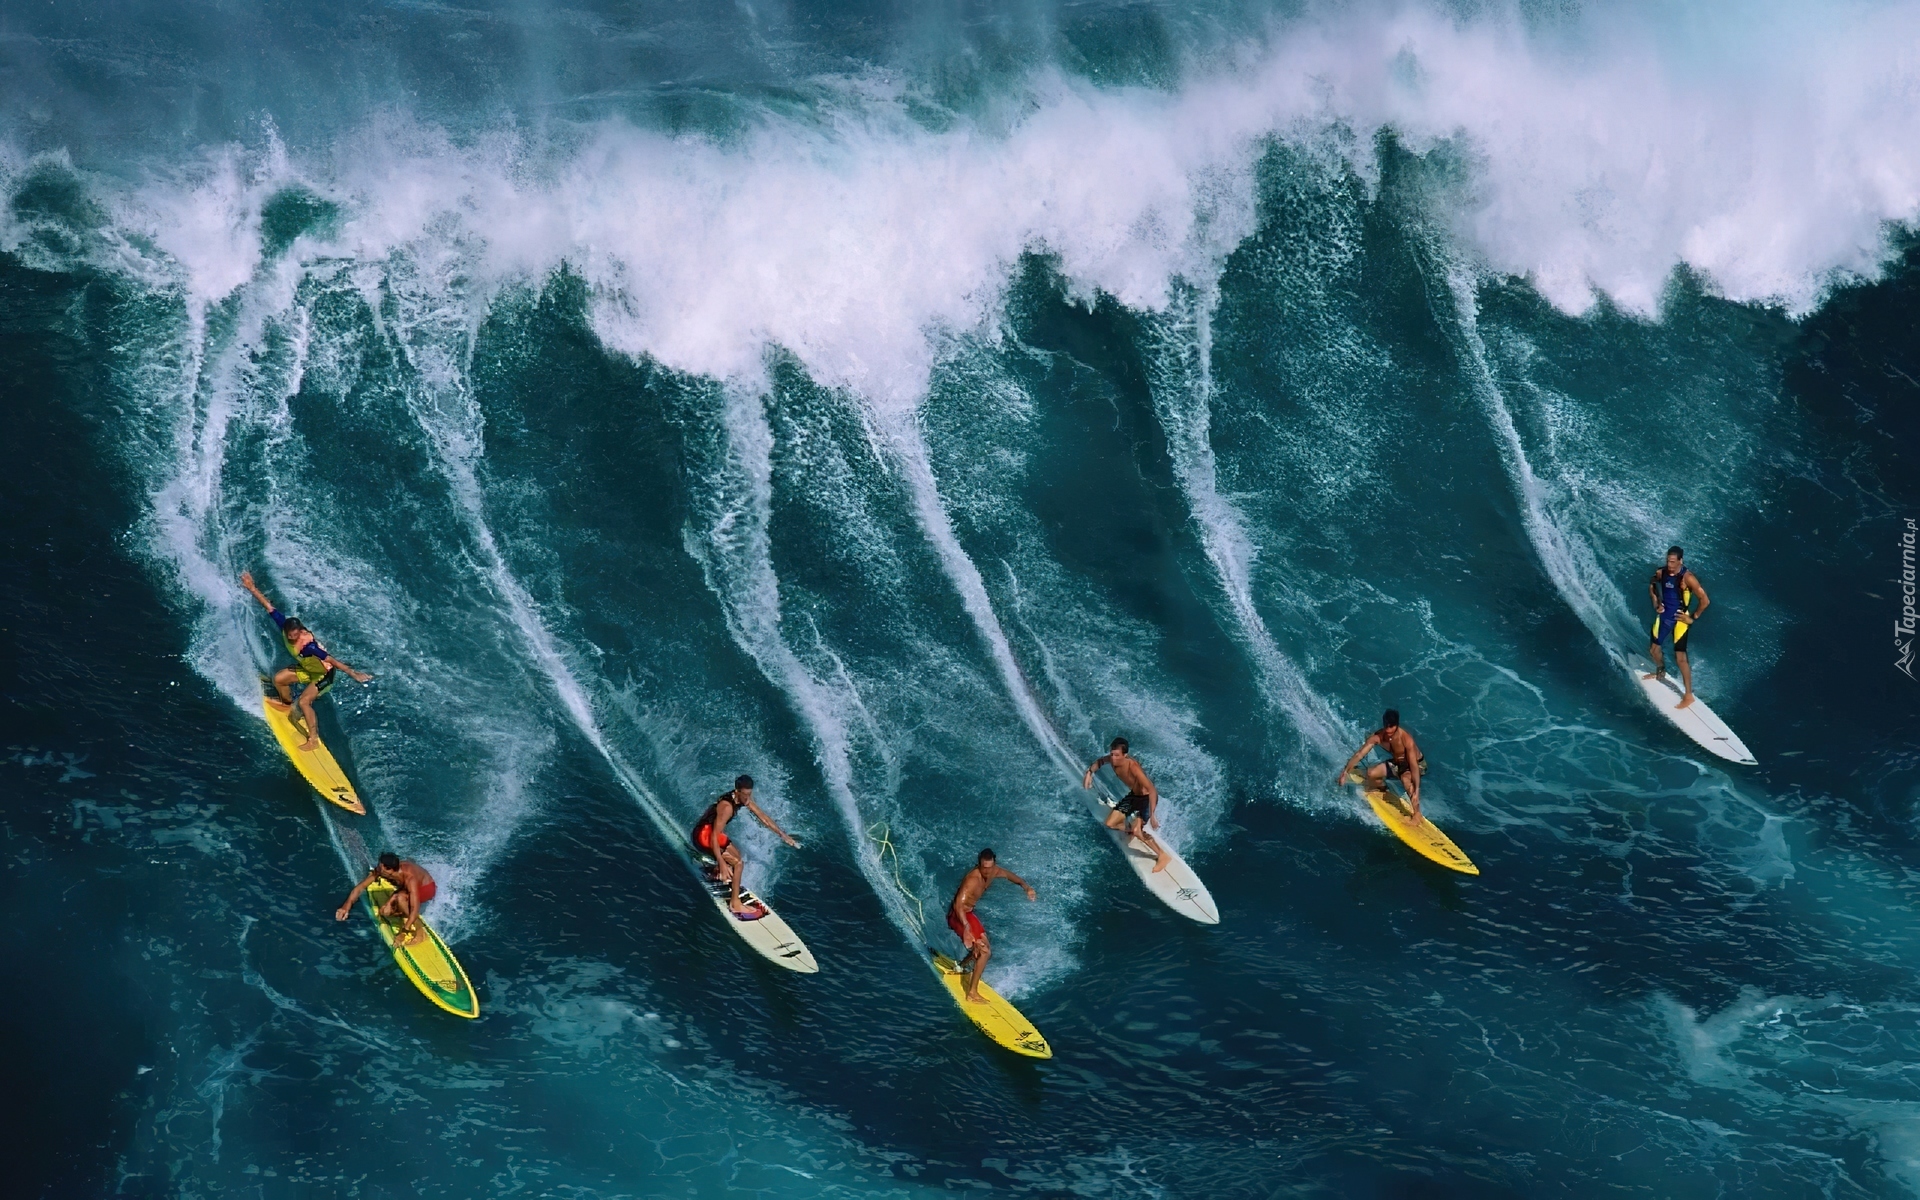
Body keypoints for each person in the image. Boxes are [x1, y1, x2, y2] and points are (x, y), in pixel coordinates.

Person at [239, 570, 372, 752]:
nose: (292, 638)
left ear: (300, 631)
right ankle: (286, 705)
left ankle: (313, 738)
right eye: (290, 636)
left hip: (323, 675)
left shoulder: (308, 646)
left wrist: (353, 673)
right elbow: (269, 607)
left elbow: (331, 660)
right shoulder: (285, 625)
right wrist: (252, 588)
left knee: (304, 702)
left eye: (295, 635)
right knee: (279, 680)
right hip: (307, 669)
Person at [693, 775, 799, 919]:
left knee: (737, 855)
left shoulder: (743, 798)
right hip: (703, 836)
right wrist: (722, 862)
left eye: (750, 794)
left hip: (712, 833)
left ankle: (717, 872)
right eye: (746, 794)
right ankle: (735, 903)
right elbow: (713, 837)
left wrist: (782, 834)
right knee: (738, 863)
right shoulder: (727, 807)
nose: (748, 798)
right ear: (737, 791)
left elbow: (763, 817)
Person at [946, 848, 1036, 1004]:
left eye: (989, 868)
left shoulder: (994, 871)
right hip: (958, 917)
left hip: (969, 915)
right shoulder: (972, 879)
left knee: (983, 947)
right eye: (983, 868)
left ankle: (961, 967)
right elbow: (958, 905)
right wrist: (966, 927)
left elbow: (1010, 876)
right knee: (985, 952)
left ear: (994, 864)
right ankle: (972, 993)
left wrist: (1026, 887)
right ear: (979, 865)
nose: (987, 872)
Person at [1082, 736, 1172, 872]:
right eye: (1111, 754)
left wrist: (1153, 815)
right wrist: (1089, 772)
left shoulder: (1133, 767)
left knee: (1137, 832)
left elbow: (1152, 790)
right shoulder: (1112, 760)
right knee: (1109, 824)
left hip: (1145, 799)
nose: (1113, 758)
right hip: (1133, 797)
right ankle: (1130, 825)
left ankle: (1162, 855)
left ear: (1125, 755)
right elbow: (1099, 762)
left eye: (1117, 755)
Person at [1643, 545, 1710, 709]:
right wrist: (1656, 602)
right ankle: (1660, 671)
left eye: (1673, 562)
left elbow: (1705, 601)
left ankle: (1688, 696)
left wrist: (1692, 618)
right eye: (1668, 561)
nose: (1670, 565)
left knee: (1680, 658)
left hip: (1680, 619)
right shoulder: (1662, 572)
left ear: (1681, 561)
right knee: (1653, 650)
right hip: (1665, 616)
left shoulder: (1688, 578)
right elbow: (1651, 584)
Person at [1337, 709, 1427, 818]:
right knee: (1371, 773)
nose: (1388, 730)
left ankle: (1417, 814)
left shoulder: (1406, 740)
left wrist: (1416, 790)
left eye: (1392, 727)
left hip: (1417, 765)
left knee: (1406, 779)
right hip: (1398, 764)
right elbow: (1360, 754)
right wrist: (1345, 772)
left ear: (1397, 725)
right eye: (1387, 726)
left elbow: (1413, 766)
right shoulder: (1378, 737)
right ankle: (1381, 787)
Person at [336, 852, 436, 946]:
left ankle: (420, 931)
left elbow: (415, 908)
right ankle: (401, 907)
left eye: (380, 867)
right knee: (385, 912)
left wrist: (403, 932)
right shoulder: (383, 871)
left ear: (389, 870)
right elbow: (359, 888)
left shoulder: (410, 878)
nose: (378, 869)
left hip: (426, 889)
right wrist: (346, 907)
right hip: (405, 888)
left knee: (401, 898)